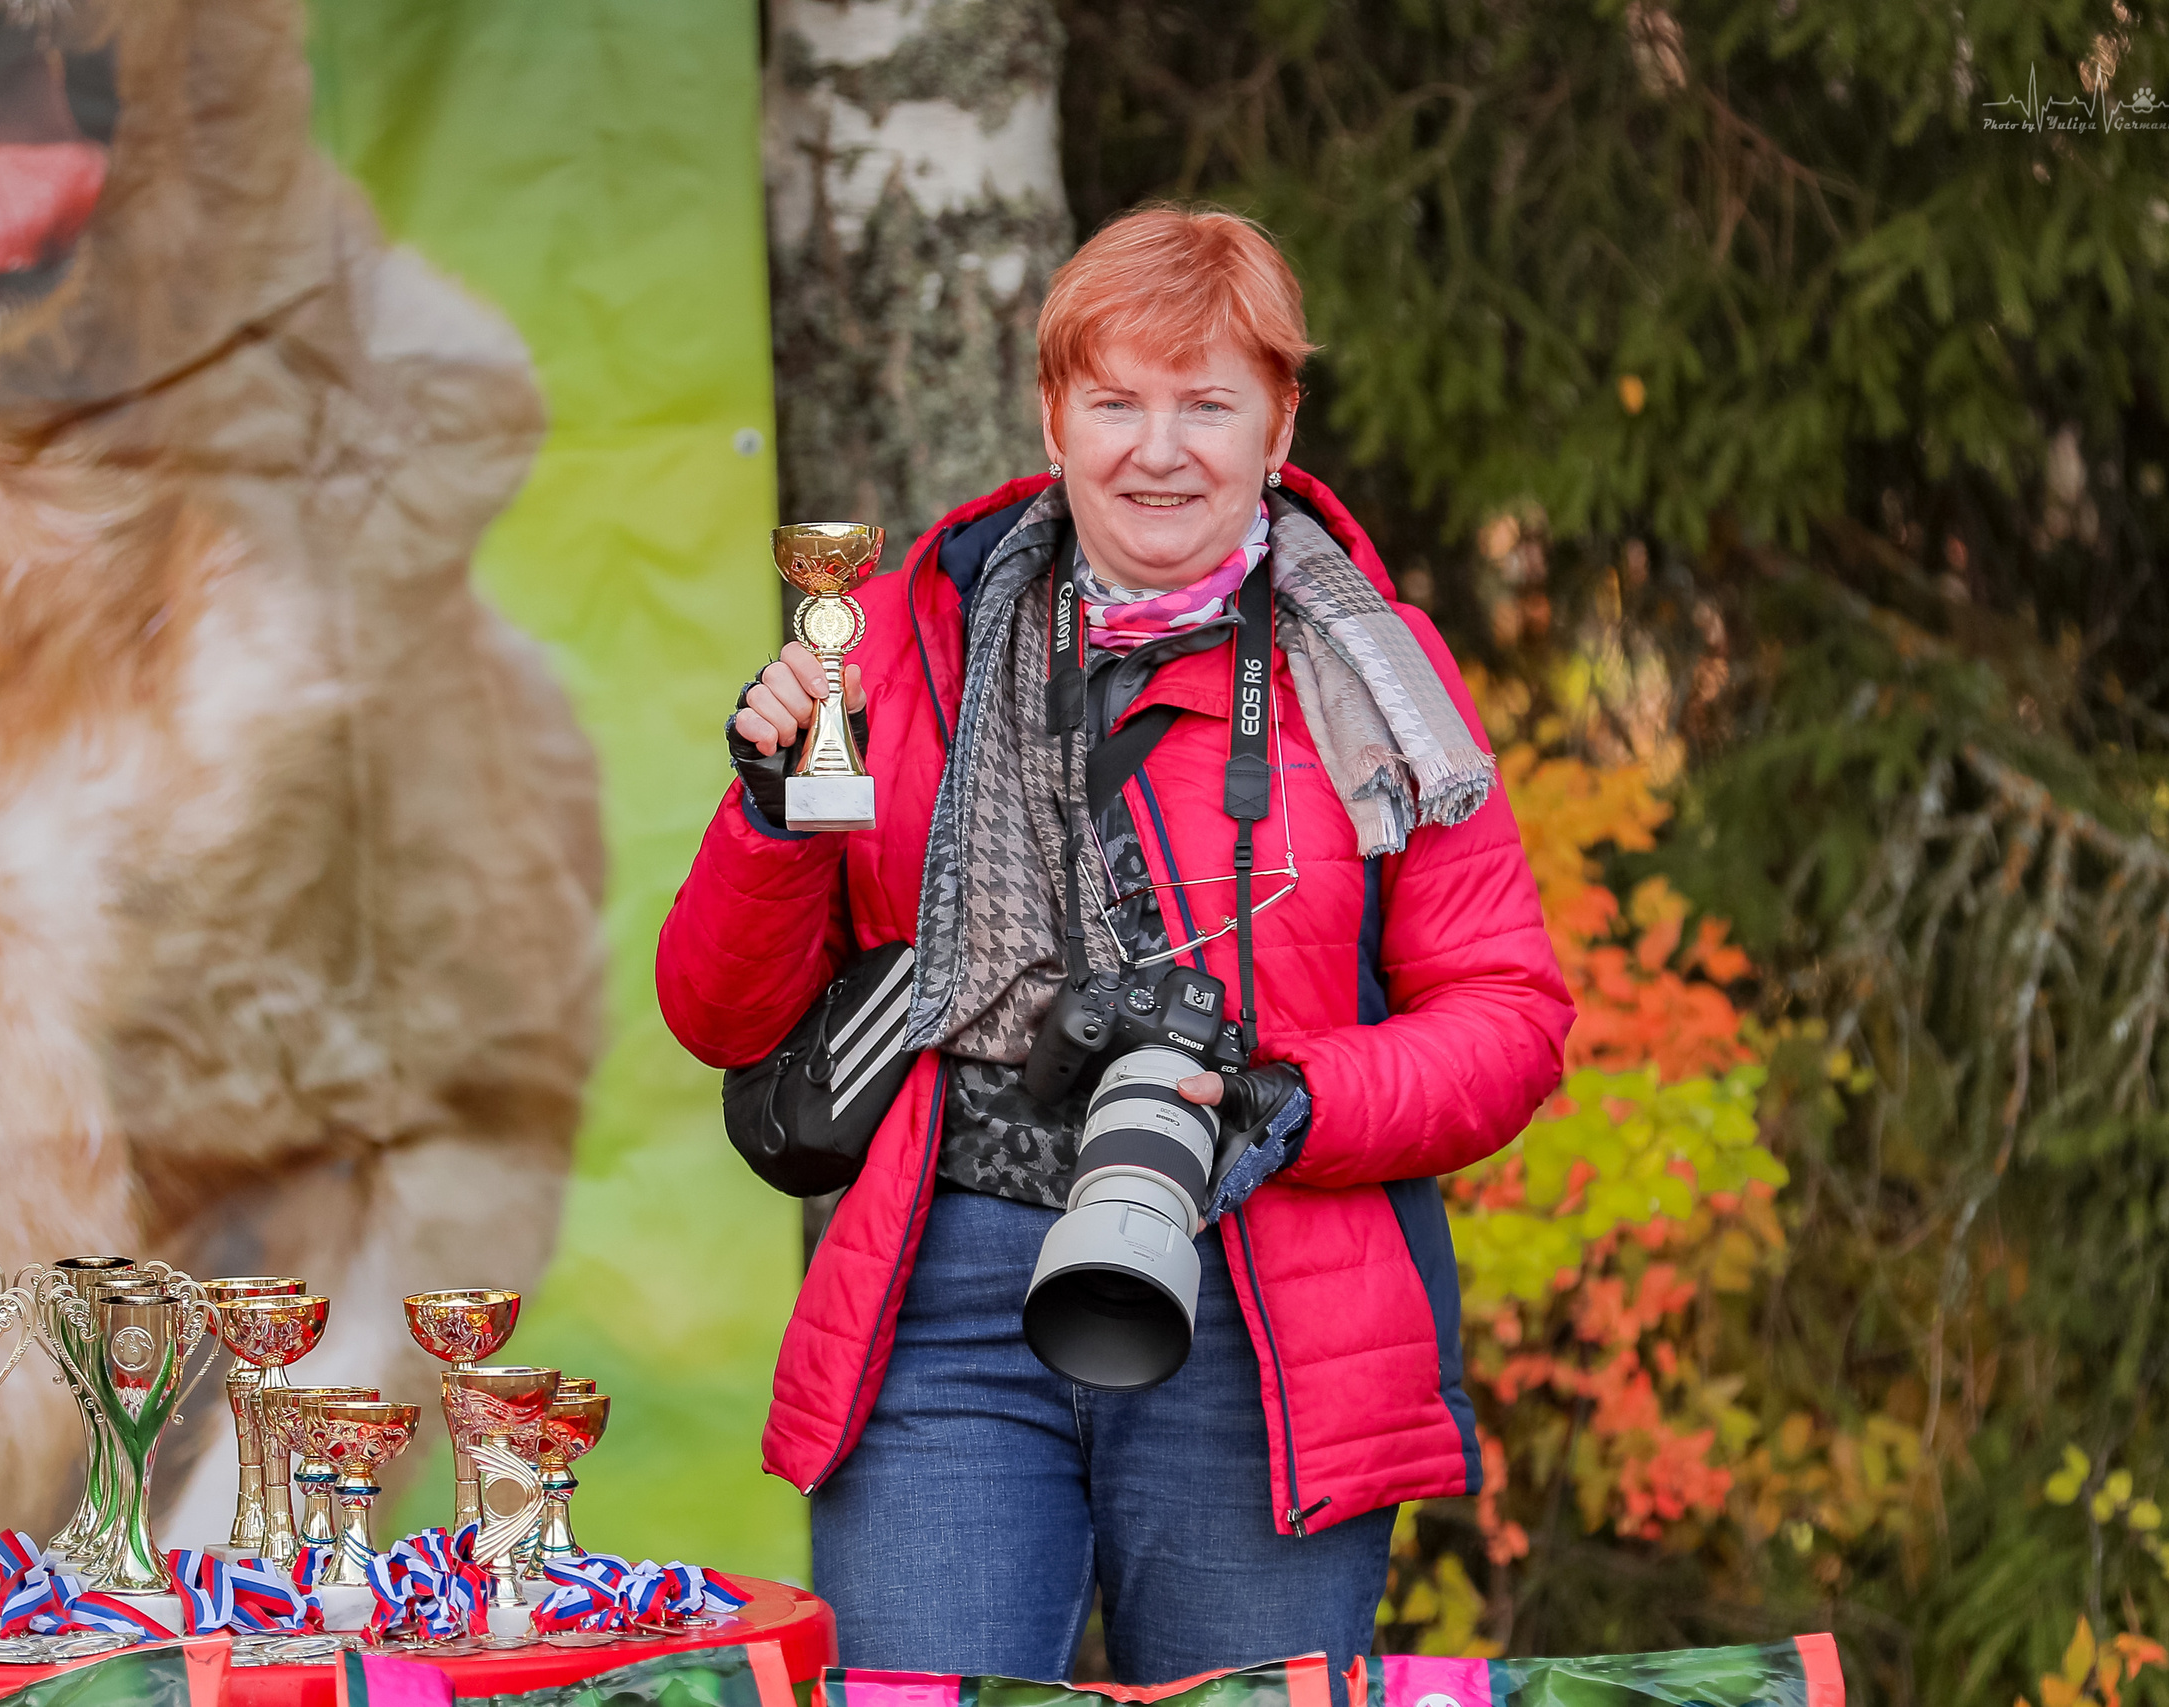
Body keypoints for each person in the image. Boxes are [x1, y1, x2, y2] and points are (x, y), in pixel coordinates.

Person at [660, 206, 1573, 1694]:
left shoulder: (1376, 675)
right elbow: (717, 1010)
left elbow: (1511, 1017)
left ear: (1281, 425)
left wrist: (1291, 1101)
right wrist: (773, 812)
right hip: (943, 1305)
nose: (1161, 450)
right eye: (1118, 400)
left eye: (1209, 403)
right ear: (1052, 414)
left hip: (1261, 1305)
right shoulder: (901, 634)